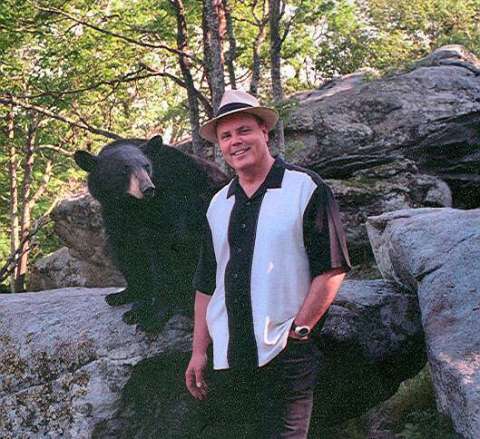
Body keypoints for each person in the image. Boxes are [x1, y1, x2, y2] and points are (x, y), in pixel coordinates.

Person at [185, 89, 351, 438]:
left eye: (244, 130)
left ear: (265, 132)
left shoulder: (304, 188)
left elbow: (332, 268)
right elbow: (206, 283)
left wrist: (300, 330)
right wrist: (199, 351)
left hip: (285, 353)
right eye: (226, 136)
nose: (235, 142)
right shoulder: (218, 203)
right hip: (229, 359)